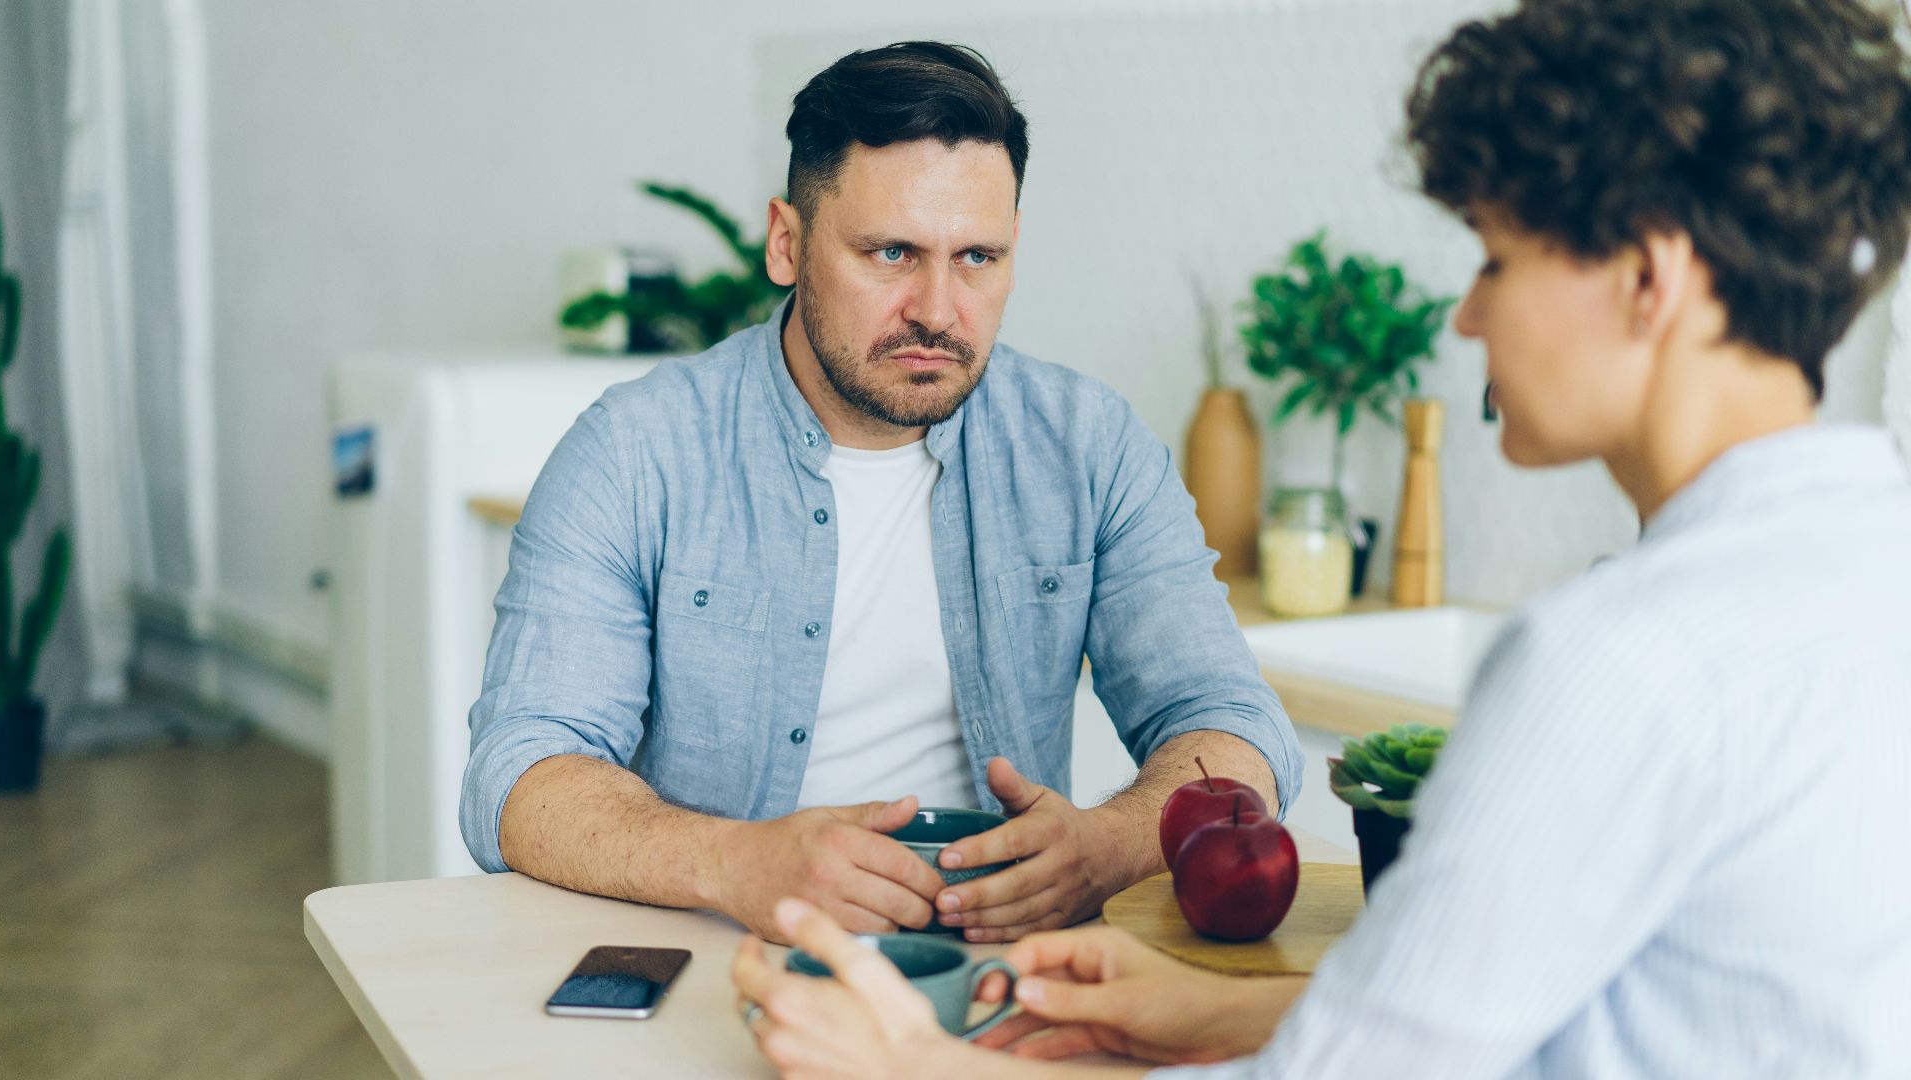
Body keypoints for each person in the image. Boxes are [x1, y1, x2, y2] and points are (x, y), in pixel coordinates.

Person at [731, 0, 1911, 1075]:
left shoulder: (1624, 660)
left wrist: (916, 1067)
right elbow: (1588, 1018)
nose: (1470, 311)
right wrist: (1215, 1013)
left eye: (1499, 256)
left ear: (1647, 281)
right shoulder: (1871, 563)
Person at [459, 41, 1303, 945]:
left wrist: (1113, 844)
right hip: (727, 953)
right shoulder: (634, 452)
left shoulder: (1089, 446)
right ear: (787, 243)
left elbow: (1231, 724)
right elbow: (520, 772)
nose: (938, 309)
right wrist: (735, 861)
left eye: (978, 256)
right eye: (892, 251)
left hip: (1000, 971)